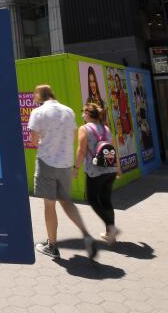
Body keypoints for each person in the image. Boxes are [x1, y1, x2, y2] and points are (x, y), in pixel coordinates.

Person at [28, 85, 96, 259]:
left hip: (46, 162)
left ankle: (52, 246)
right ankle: (86, 234)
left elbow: (34, 140)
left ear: (40, 95)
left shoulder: (38, 112)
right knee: (66, 202)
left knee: (49, 206)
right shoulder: (68, 111)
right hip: (65, 164)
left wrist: (46, 138)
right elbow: (73, 137)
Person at [74, 103, 122, 244]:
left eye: (83, 111)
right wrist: (118, 167)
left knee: (93, 200)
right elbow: (114, 149)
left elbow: (81, 150)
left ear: (88, 113)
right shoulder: (106, 129)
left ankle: (111, 228)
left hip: (95, 171)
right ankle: (110, 233)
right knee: (106, 200)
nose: (82, 114)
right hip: (111, 170)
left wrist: (75, 168)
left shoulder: (84, 129)